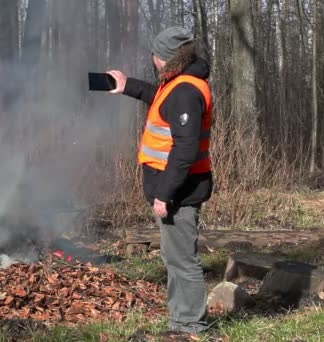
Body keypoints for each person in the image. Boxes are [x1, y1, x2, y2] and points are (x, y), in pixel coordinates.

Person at [107, 26, 213, 336]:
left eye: (154, 55)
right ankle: (182, 322)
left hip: (179, 191)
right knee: (175, 256)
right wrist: (128, 86)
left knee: (183, 261)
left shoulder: (185, 91)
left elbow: (185, 151)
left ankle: (191, 326)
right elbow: (161, 101)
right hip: (175, 188)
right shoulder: (180, 84)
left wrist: (164, 194)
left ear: (162, 58)